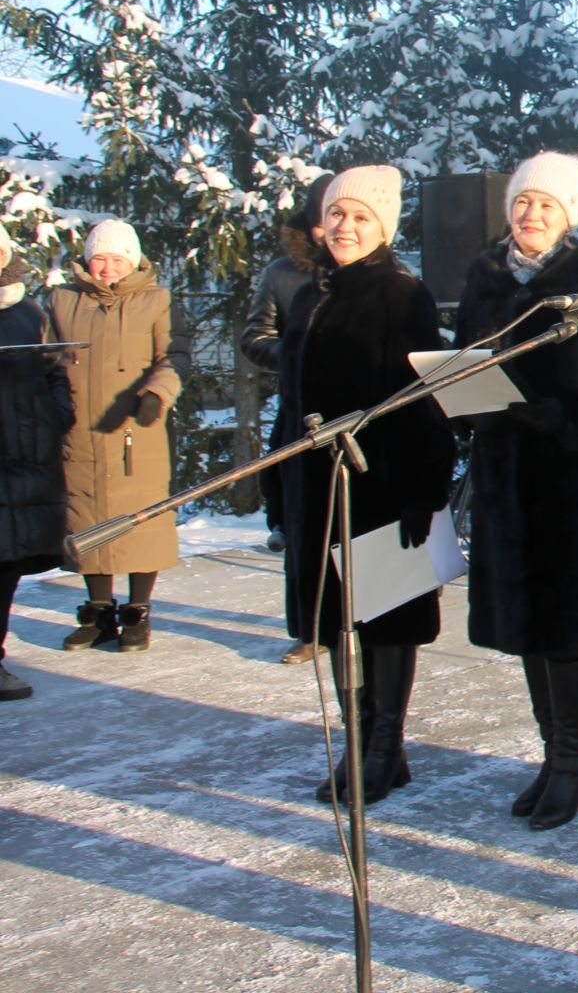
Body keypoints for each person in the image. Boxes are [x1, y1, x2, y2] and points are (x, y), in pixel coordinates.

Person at [456, 152, 578, 831]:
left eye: (546, 205)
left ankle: (573, 766)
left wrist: (566, 421)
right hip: (505, 484)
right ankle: (550, 757)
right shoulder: (484, 280)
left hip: (571, 486)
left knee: (566, 632)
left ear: (568, 215)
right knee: (527, 629)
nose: (531, 214)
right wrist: (462, 399)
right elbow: (463, 363)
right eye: (522, 202)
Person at [280, 165, 455, 805]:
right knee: (332, 620)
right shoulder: (308, 295)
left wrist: (422, 491)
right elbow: (288, 400)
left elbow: (422, 400)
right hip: (314, 485)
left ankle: (385, 748)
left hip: (378, 481)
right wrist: (280, 488)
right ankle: (361, 743)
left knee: (383, 617)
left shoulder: (402, 295)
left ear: (383, 226)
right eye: (336, 215)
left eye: (360, 218)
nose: (344, 228)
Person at [46, 218, 186, 653]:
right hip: (79, 432)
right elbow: (48, 357)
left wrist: (155, 395)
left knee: (142, 523)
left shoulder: (157, 300)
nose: (108, 268)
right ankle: (99, 613)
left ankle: (137, 614)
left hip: (135, 431)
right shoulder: (62, 301)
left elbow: (174, 356)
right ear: (88, 260)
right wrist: (54, 402)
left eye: (117, 259)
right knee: (88, 521)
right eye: (100, 259)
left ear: (133, 260)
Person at [239, 173, 331, 665]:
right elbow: (254, 338)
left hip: (354, 413)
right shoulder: (281, 273)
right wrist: (299, 355)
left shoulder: (377, 272)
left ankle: (358, 620)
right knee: (302, 526)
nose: (332, 229)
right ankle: (310, 629)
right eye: (324, 218)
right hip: (298, 413)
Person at [0, 226, 74, 699]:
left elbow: (55, 371)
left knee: (6, 567)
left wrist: (59, 414)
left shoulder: (30, 312)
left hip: (25, 457)